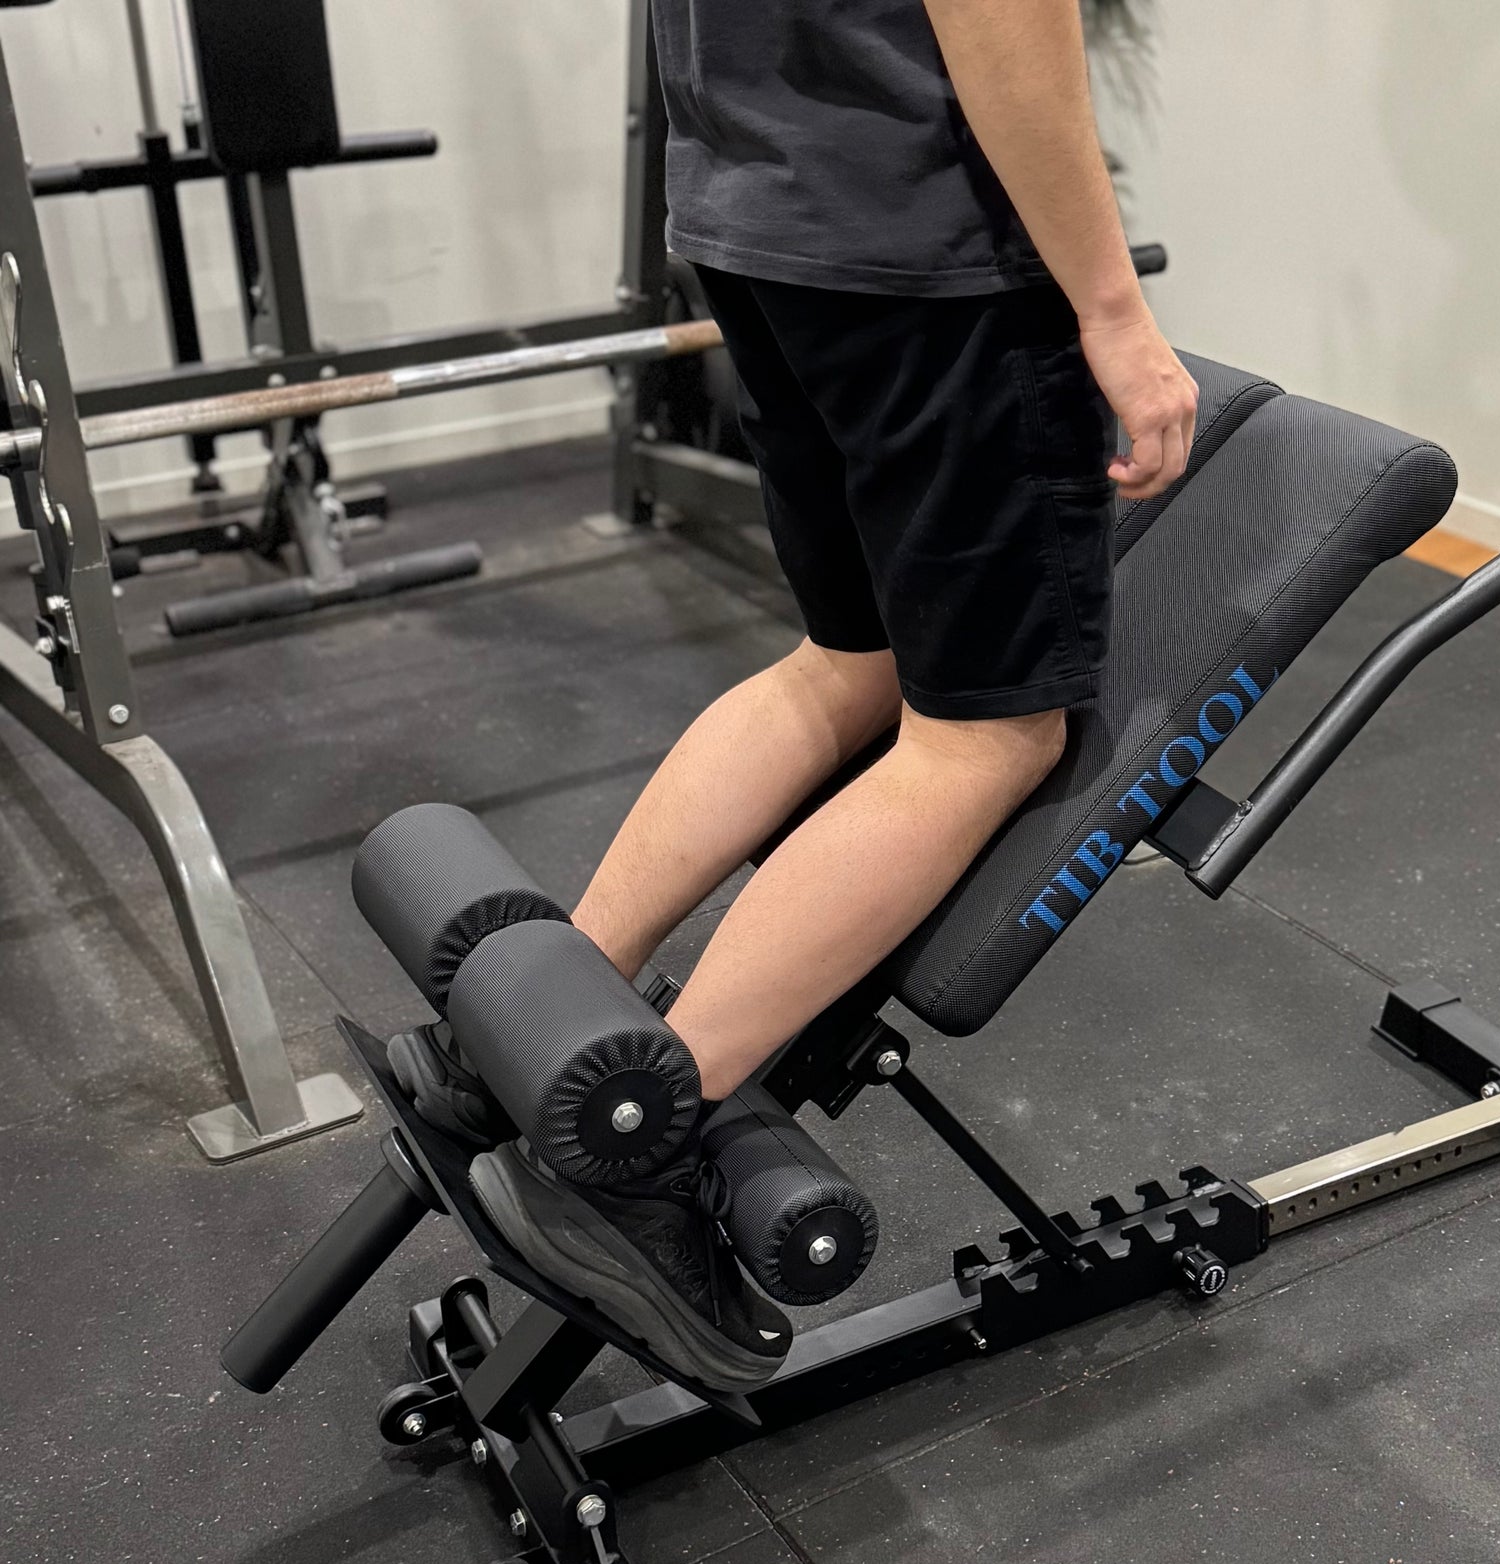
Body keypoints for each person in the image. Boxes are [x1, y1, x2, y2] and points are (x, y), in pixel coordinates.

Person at [394, 0, 1199, 1393]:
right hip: (924, 253)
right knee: (985, 737)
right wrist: (1112, 311)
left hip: (752, 221)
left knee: (850, 665)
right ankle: (622, 1150)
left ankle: (516, 1038)